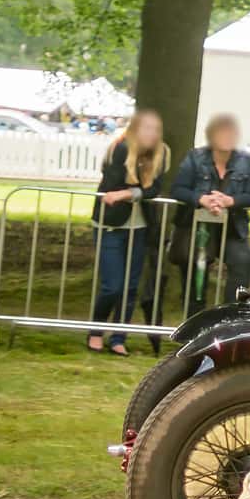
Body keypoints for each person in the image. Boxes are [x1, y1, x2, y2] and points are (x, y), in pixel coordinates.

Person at [88, 108, 169, 356]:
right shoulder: (120, 148)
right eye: (147, 128)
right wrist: (133, 189)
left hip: (140, 227)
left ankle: (119, 337)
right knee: (112, 286)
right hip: (110, 226)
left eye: (156, 129)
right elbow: (112, 187)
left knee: (131, 286)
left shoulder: (160, 154)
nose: (152, 134)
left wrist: (128, 193)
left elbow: (155, 188)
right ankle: (95, 331)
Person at [168, 112, 250, 313]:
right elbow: (177, 189)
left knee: (242, 261)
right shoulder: (195, 157)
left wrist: (230, 201)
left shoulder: (246, 161)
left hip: (232, 227)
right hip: (198, 228)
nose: (227, 138)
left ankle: (231, 314)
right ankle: (194, 319)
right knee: (195, 271)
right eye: (222, 133)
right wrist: (201, 199)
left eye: (231, 133)